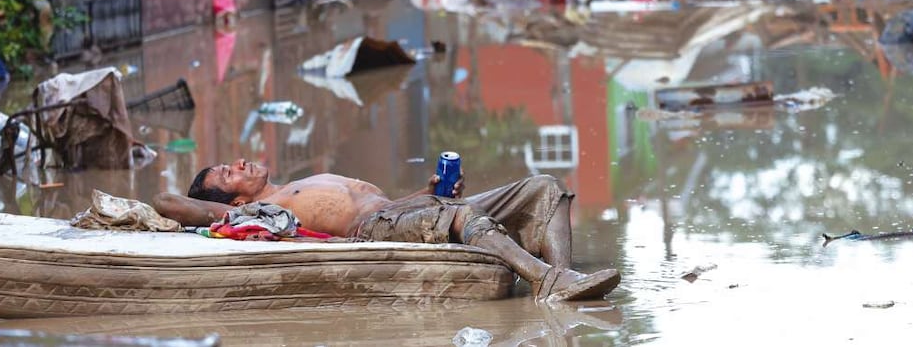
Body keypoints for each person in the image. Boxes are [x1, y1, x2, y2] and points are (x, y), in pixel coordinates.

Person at [152, 159, 619, 303]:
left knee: (545, 187)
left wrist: (429, 190)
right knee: (457, 218)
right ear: (235, 201)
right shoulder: (264, 211)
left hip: (406, 209)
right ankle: (545, 279)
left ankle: (561, 279)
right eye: (228, 174)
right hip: (372, 231)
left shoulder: (300, 181)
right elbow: (166, 202)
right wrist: (219, 208)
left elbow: (392, 207)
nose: (239, 164)